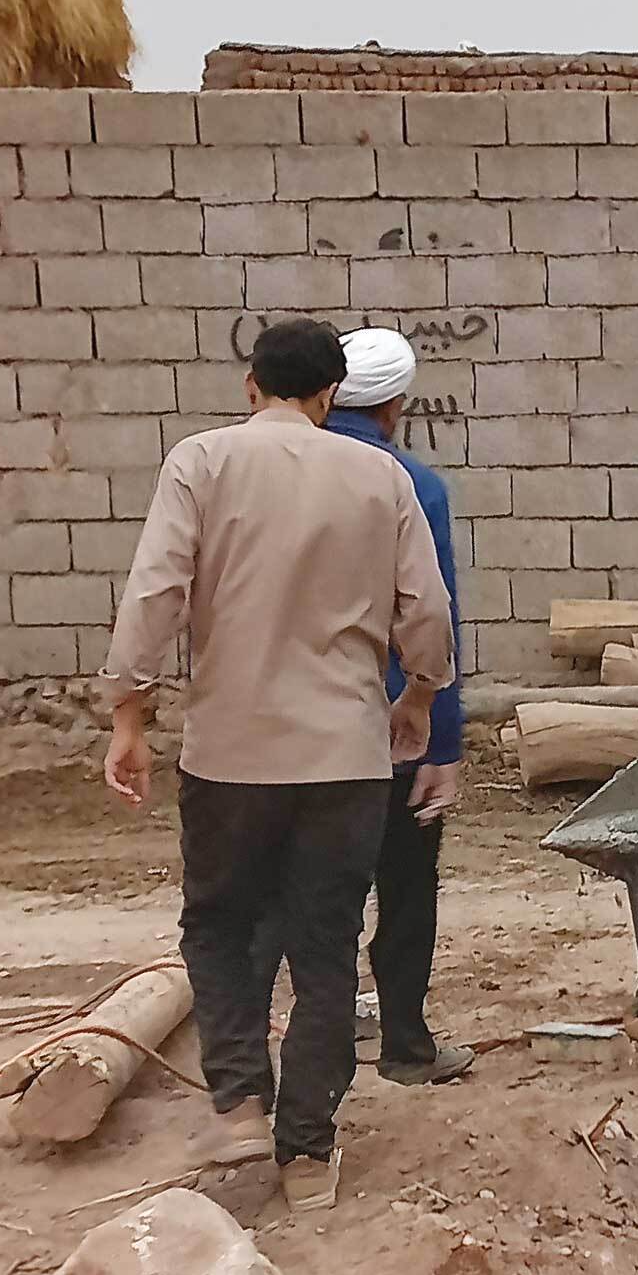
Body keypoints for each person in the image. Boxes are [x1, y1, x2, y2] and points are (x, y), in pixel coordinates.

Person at [101, 317, 454, 1213]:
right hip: (344, 755)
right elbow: (427, 609)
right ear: (332, 394)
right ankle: (307, 1154)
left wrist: (129, 716)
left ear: (250, 384)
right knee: (326, 945)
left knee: (219, 925)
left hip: (230, 754)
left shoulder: (201, 462)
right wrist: (417, 697)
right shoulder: (381, 475)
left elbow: (155, 592)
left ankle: (239, 1099)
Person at [252, 327, 473, 1088]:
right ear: (397, 407)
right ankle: (406, 1044)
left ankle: (308, 1051)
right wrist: (442, 742)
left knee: (308, 891)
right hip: (391, 726)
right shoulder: (413, 484)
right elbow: (431, 622)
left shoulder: (260, 476)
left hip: (290, 731)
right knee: (405, 887)